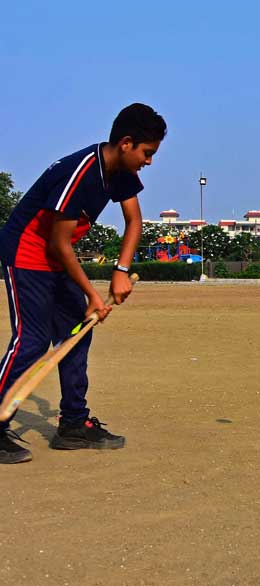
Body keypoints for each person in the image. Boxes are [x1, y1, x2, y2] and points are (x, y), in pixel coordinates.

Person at [0, 103, 166, 462]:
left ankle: (73, 424)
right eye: (147, 152)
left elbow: (134, 221)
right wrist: (93, 293)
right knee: (32, 340)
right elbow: (57, 243)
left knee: (77, 332)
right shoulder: (82, 171)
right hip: (27, 252)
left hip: (58, 257)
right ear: (126, 143)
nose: (149, 161)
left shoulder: (120, 172)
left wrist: (121, 271)